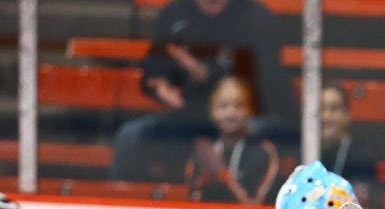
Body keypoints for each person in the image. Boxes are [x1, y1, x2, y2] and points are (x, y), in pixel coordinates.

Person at [111, 0, 289, 182]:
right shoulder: (175, 13)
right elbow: (154, 63)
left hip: (243, 116)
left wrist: (209, 76)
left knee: (254, 135)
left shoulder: (256, 17)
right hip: (190, 115)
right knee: (131, 135)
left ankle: (240, 199)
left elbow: (267, 79)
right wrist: (159, 86)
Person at [185, 76, 280, 205]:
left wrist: (222, 175)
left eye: (239, 106)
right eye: (223, 106)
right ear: (212, 111)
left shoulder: (263, 151)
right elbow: (192, 199)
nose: (230, 113)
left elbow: (254, 205)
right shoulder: (204, 149)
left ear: (250, 110)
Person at [319, 84, 379, 206]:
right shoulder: (303, 150)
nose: (326, 116)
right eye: (321, 109)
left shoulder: (361, 157)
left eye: (334, 109)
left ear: (346, 115)